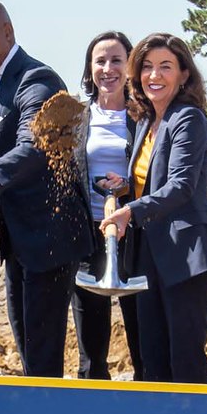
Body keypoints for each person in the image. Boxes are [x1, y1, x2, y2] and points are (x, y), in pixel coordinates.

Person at [0, 0, 92, 377]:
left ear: (7, 32)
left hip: (51, 235)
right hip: (17, 237)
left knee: (43, 349)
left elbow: (33, 147)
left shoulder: (37, 80)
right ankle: (34, 411)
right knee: (24, 338)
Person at [98, 33, 207, 384]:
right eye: (148, 67)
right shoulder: (147, 120)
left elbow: (182, 185)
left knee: (183, 361)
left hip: (185, 258)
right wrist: (125, 187)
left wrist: (130, 211)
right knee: (150, 359)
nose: (154, 75)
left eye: (165, 67)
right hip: (149, 256)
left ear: (184, 74)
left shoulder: (188, 119)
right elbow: (152, 180)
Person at [70, 29, 142, 380]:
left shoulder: (144, 116)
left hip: (134, 236)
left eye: (117, 60)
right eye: (100, 61)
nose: (108, 68)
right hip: (90, 237)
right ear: (89, 69)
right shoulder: (78, 119)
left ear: (131, 67)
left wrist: (129, 187)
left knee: (142, 336)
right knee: (90, 343)